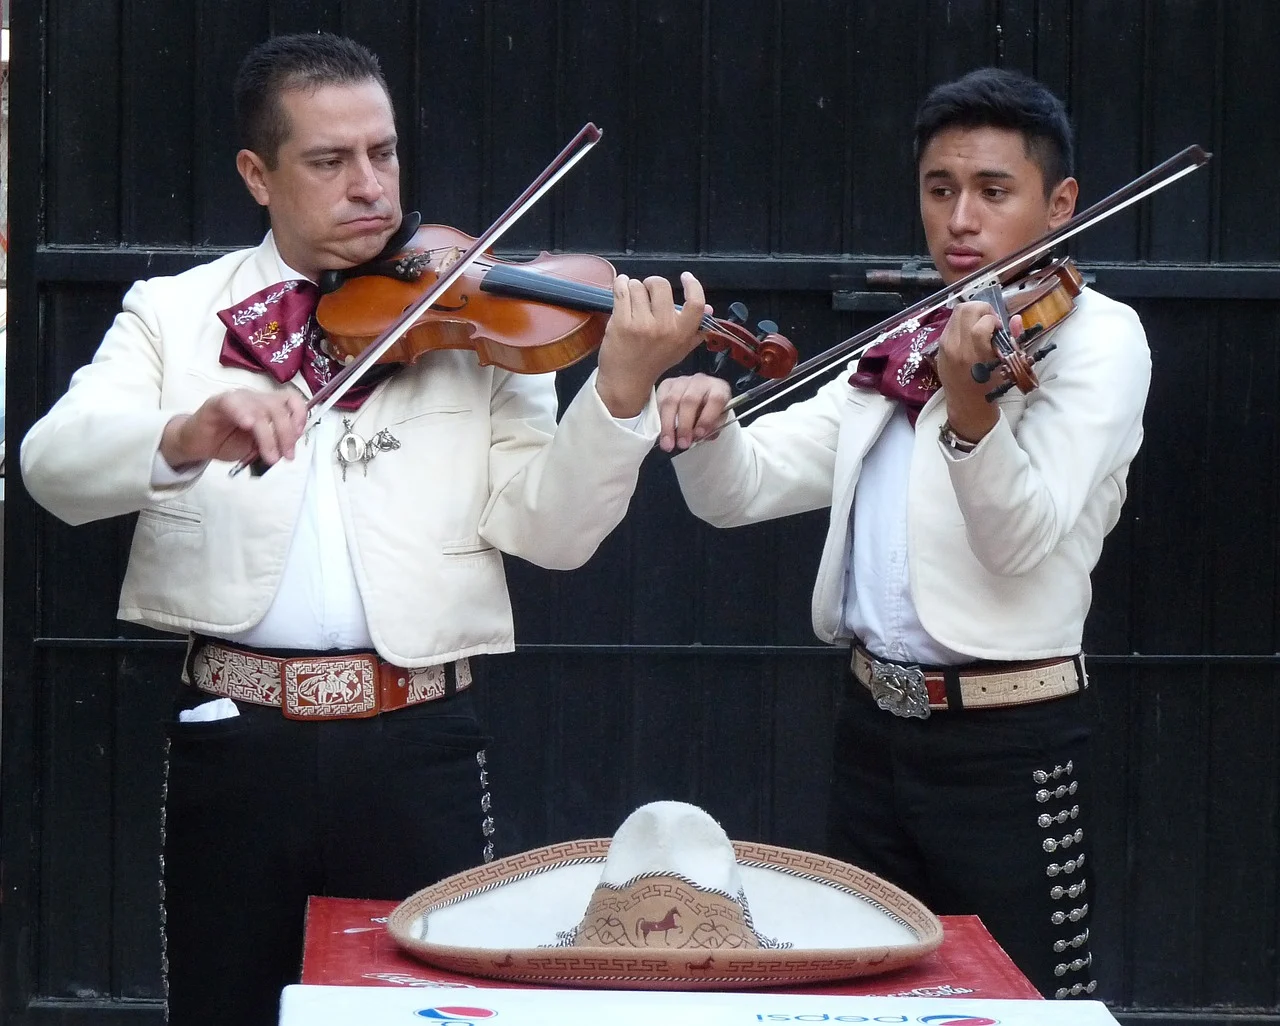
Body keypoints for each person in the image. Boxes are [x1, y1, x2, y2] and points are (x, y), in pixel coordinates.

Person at [20, 33, 709, 1026]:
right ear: (258, 174)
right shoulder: (176, 314)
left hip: (418, 737)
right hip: (235, 739)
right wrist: (183, 432)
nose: (370, 188)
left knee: (424, 1010)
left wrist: (620, 394)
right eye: (329, 161)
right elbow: (53, 466)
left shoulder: (483, 319)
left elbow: (554, 536)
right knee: (225, 1005)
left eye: (382, 154)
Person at [656, 67, 1151, 999]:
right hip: (870, 733)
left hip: (1007, 744)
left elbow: (1020, 539)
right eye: (940, 190)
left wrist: (972, 410)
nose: (960, 219)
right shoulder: (909, 342)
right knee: (859, 996)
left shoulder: (1099, 338)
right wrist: (699, 424)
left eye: (993, 192)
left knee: (1020, 1005)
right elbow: (741, 491)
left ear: (1061, 204)